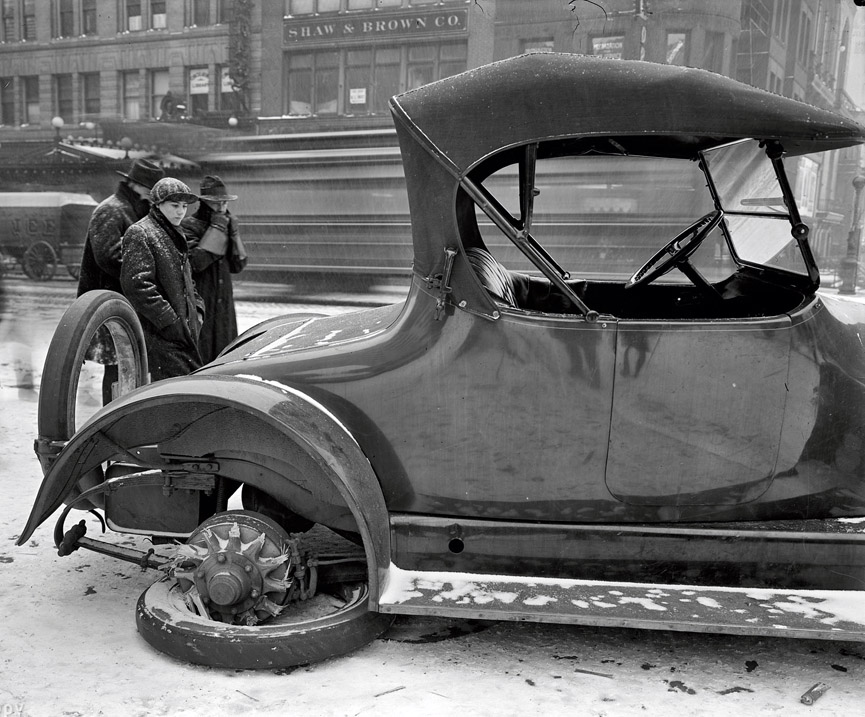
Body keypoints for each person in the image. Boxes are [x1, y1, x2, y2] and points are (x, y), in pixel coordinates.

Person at [77, 158, 165, 403]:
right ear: (135, 185)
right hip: (111, 302)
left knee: (132, 364)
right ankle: (112, 418)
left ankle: (125, 416)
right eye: (150, 188)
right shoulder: (111, 210)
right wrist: (146, 271)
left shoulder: (137, 209)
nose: (153, 194)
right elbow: (108, 257)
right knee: (118, 366)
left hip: (129, 302)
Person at [120, 177, 205, 382]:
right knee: (177, 393)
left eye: (184, 206)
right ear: (157, 204)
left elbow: (187, 280)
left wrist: (198, 311)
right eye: (174, 205)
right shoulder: (140, 232)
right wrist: (170, 322)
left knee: (183, 390)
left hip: (181, 331)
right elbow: (137, 285)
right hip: (160, 336)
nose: (181, 212)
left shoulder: (174, 232)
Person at [181, 175, 248, 364]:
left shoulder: (227, 224)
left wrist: (233, 235)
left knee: (224, 354)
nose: (222, 207)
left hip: (223, 303)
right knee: (202, 355)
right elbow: (196, 262)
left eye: (224, 202)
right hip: (203, 299)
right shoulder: (188, 226)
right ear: (205, 203)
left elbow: (238, 264)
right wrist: (217, 228)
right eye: (216, 203)